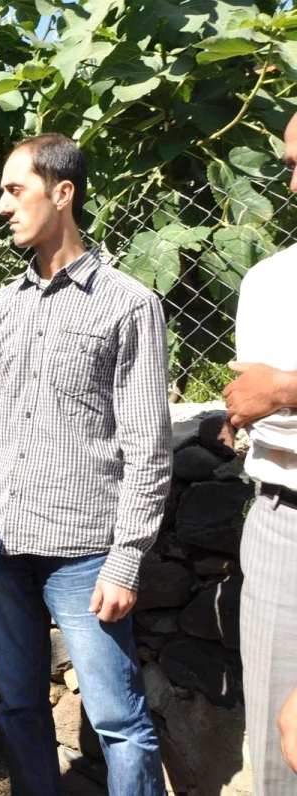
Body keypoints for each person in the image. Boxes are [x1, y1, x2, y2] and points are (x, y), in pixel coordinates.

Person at [0, 133, 170, 796]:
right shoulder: (2, 306)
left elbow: (148, 446)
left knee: (117, 721)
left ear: (63, 192)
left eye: (14, 190)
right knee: (19, 707)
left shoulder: (129, 304)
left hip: (85, 556)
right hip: (3, 546)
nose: (0, 206)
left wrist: (126, 557)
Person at [225, 110, 297, 793]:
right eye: (291, 165)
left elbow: (276, 390)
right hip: (279, 513)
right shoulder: (269, 281)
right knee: (276, 745)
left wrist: (288, 390)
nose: (295, 183)